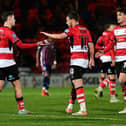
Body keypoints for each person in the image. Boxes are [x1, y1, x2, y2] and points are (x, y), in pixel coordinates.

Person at [41, 11, 95, 115]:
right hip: (84, 60)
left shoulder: (72, 30)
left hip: (76, 60)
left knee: (77, 84)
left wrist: (48, 34)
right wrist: (91, 58)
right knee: (75, 84)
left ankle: (83, 109)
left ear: (72, 20)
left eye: (67, 20)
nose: (66, 23)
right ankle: (70, 105)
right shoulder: (86, 30)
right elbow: (91, 44)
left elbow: (60, 36)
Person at [0, 10, 43, 115]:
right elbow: (21, 45)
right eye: (14, 18)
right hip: (9, 64)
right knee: (17, 86)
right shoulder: (10, 32)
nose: (15, 20)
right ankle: (21, 109)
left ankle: (22, 109)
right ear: (9, 19)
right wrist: (37, 44)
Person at [95, 23, 119, 103]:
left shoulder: (102, 36)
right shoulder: (111, 35)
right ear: (108, 28)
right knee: (112, 78)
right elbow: (111, 48)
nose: (115, 27)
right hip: (109, 57)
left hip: (103, 58)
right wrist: (113, 59)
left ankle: (101, 89)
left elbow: (97, 46)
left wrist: (102, 49)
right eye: (113, 26)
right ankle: (110, 95)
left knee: (106, 76)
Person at [112, 5, 126, 113]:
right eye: (117, 15)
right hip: (118, 59)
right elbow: (112, 44)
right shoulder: (115, 30)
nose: (118, 17)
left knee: (122, 79)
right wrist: (104, 50)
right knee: (123, 83)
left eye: (120, 15)